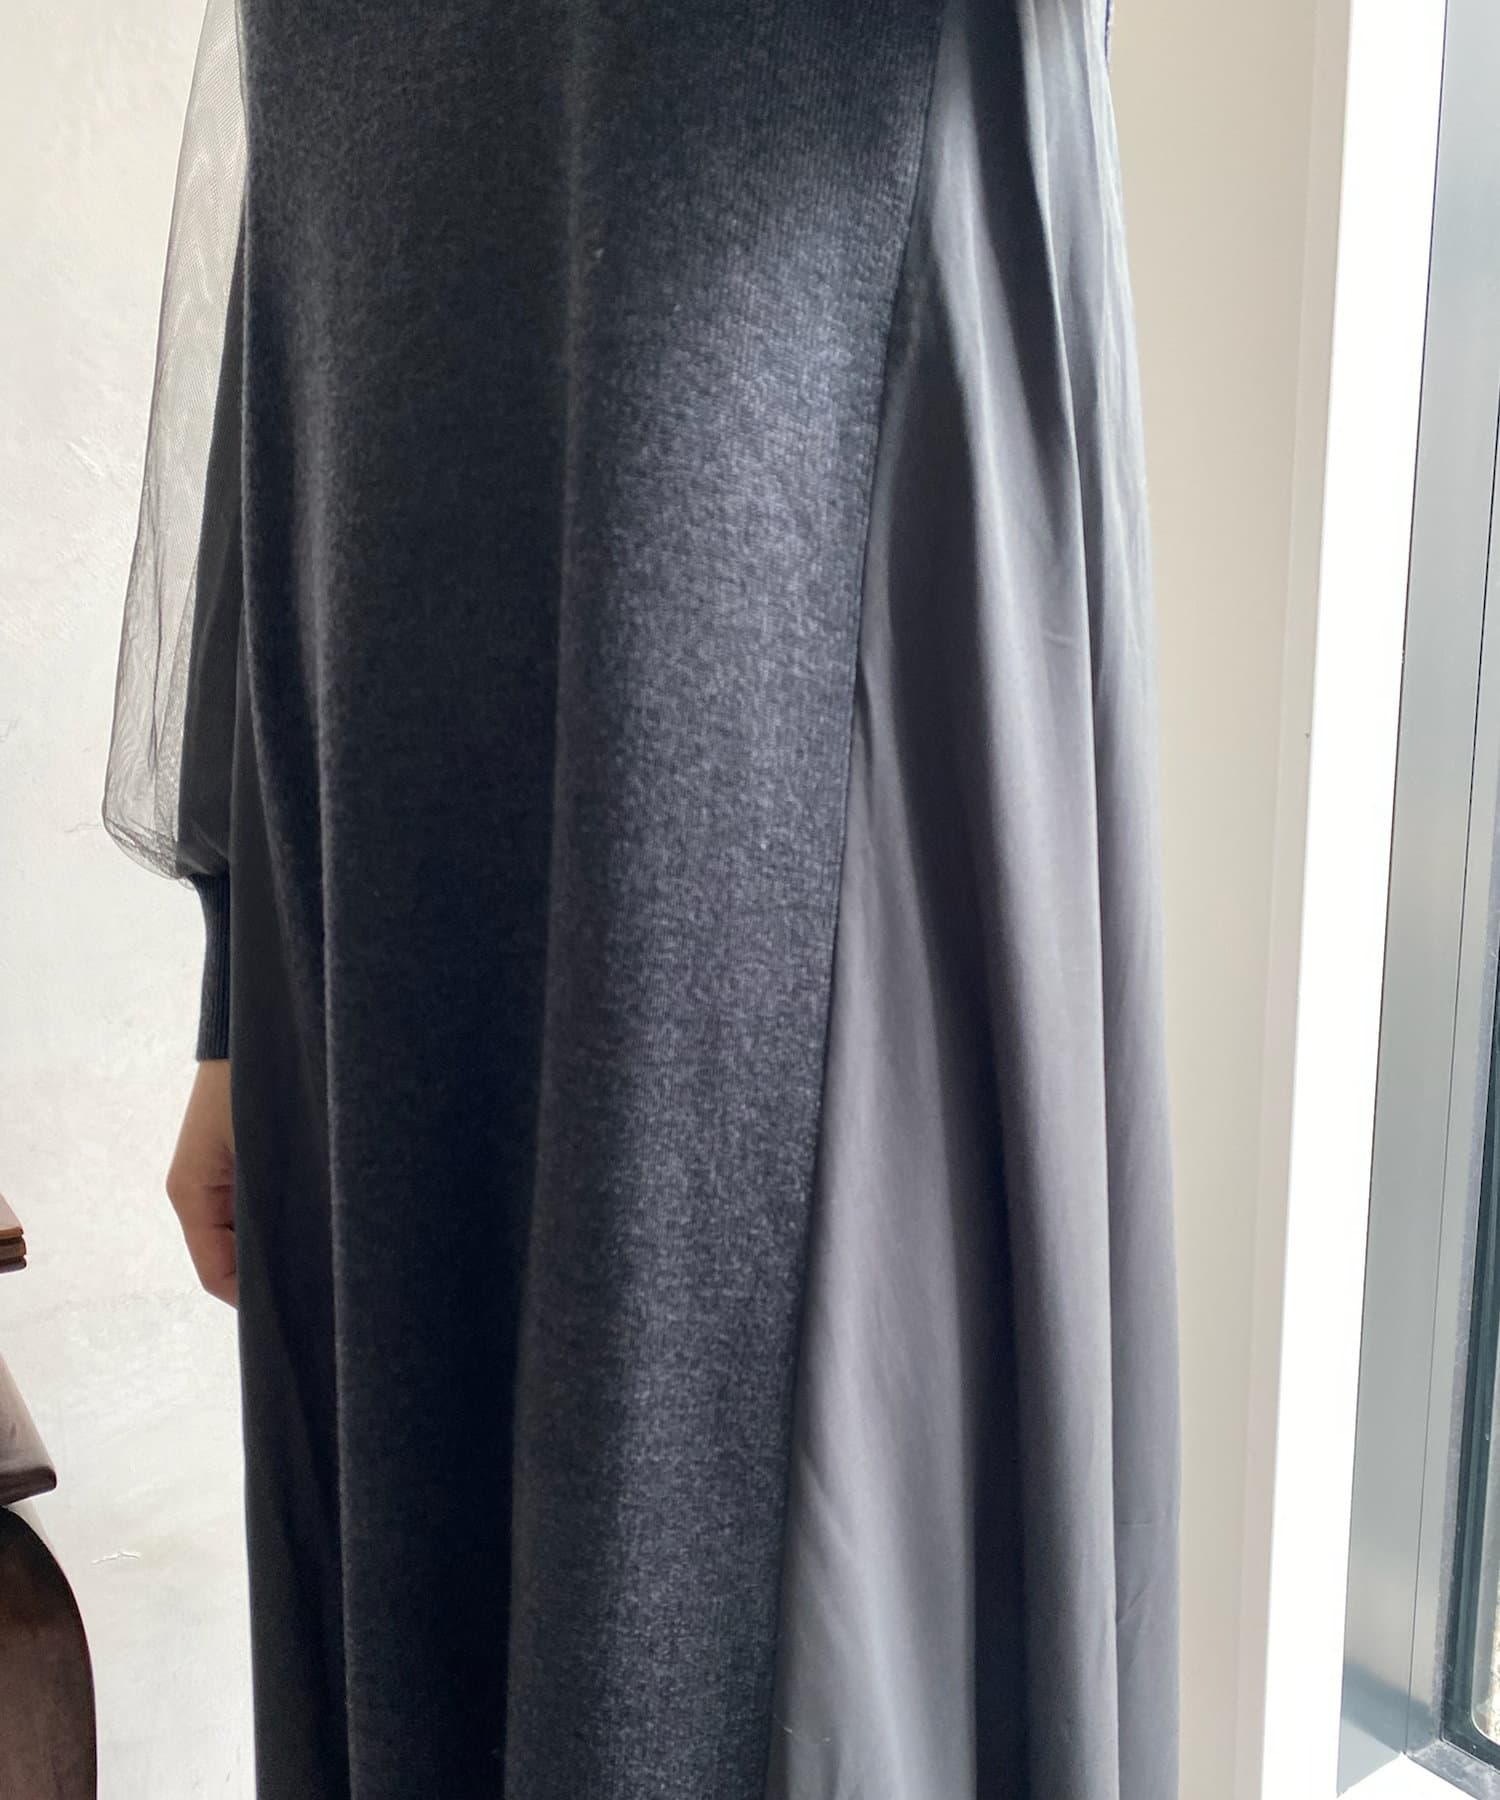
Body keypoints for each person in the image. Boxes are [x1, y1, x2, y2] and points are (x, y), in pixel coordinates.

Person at [103, 0, 1181, 1793]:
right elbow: (279, 355)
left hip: (792, 252)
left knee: (740, 1513)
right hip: (385, 290)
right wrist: (238, 1003)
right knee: (423, 1509)